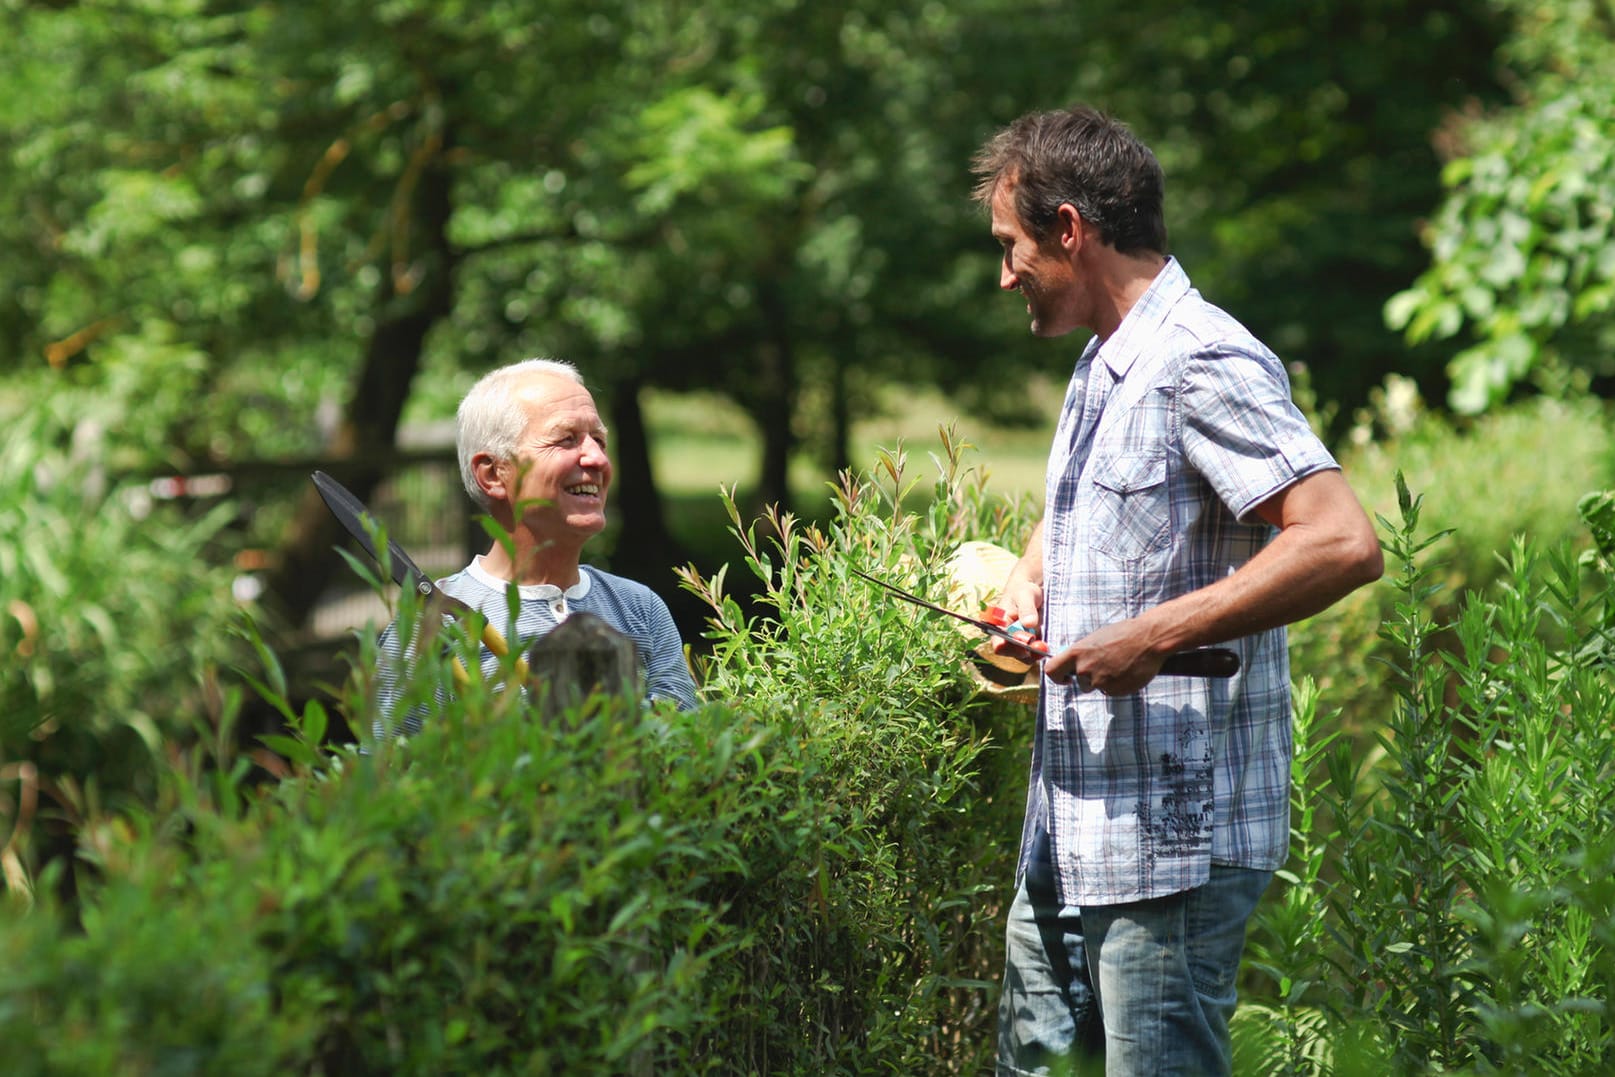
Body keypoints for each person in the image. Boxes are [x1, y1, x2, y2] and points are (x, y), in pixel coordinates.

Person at [971, 106, 1384, 1076]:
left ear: (1069, 229)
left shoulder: (1201, 357)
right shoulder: (1101, 363)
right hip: (1068, 824)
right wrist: (1029, 586)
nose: (1003, 276)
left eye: (1010, 246)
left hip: (1168, 841)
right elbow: (1084, 510)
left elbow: (1340, 541)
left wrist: (1148, 636)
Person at [374, 358, 698, 736]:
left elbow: (687, 752)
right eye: (566, 439)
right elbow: (388, 777)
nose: (597, 458)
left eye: (600, 439)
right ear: (494, 474)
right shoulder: (427, 628)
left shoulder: (639, 609)